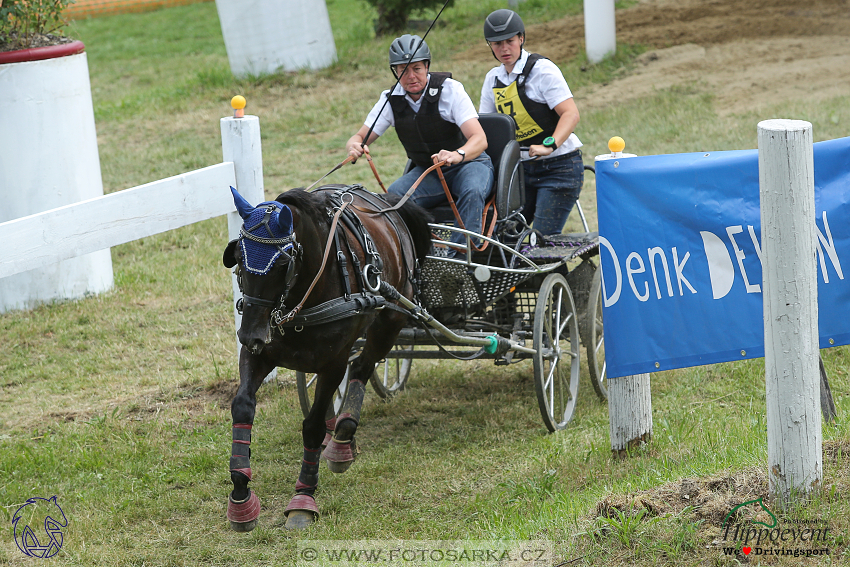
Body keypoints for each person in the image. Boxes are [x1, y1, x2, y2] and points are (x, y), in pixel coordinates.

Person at [346, 34, 493, 252]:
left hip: (470, 165)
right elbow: (359, 137)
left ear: (427, 67)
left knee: (471, 190)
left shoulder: (450, 90)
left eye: (416, 68)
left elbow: (480, 140)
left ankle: (459, 259)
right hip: (429, 172)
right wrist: (354, 146)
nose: (411, 76)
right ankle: (420, 257)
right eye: (403, 70)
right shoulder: (390, 99)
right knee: (395, 197)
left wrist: (457, 155)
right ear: (395, 71)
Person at [479, 9, 584, 236]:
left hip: (560, 166)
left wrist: (550, 145)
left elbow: (570, 114)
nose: (504, 49)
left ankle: (554, 272)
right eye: (497, 44)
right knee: (505, 238)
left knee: (541, 240)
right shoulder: (492, 79)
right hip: (519, 171)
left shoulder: (542, 70)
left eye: (510, 41)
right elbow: (486, 127)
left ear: (521, 38)